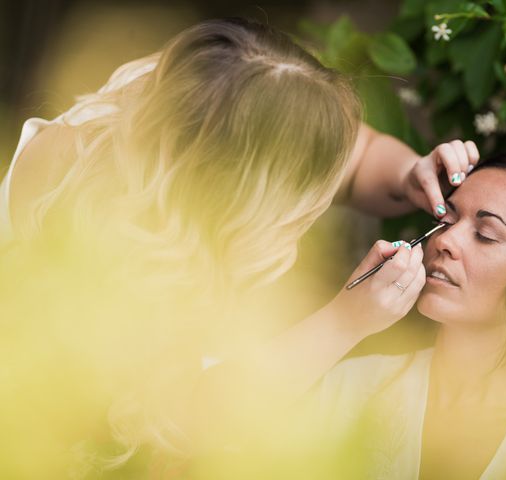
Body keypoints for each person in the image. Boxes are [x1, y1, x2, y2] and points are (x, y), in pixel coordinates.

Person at [1, 16, 479, 473]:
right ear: (247, 196)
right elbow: (188, 420)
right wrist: (344, 322)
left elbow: (358, 155)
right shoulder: (108, 259)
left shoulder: (191, 94)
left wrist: (406, 173)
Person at [309, 154, 506, 479]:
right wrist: (343, 319)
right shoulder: (355, 387)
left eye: (485, 234)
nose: (445, 241)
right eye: (447, 220)